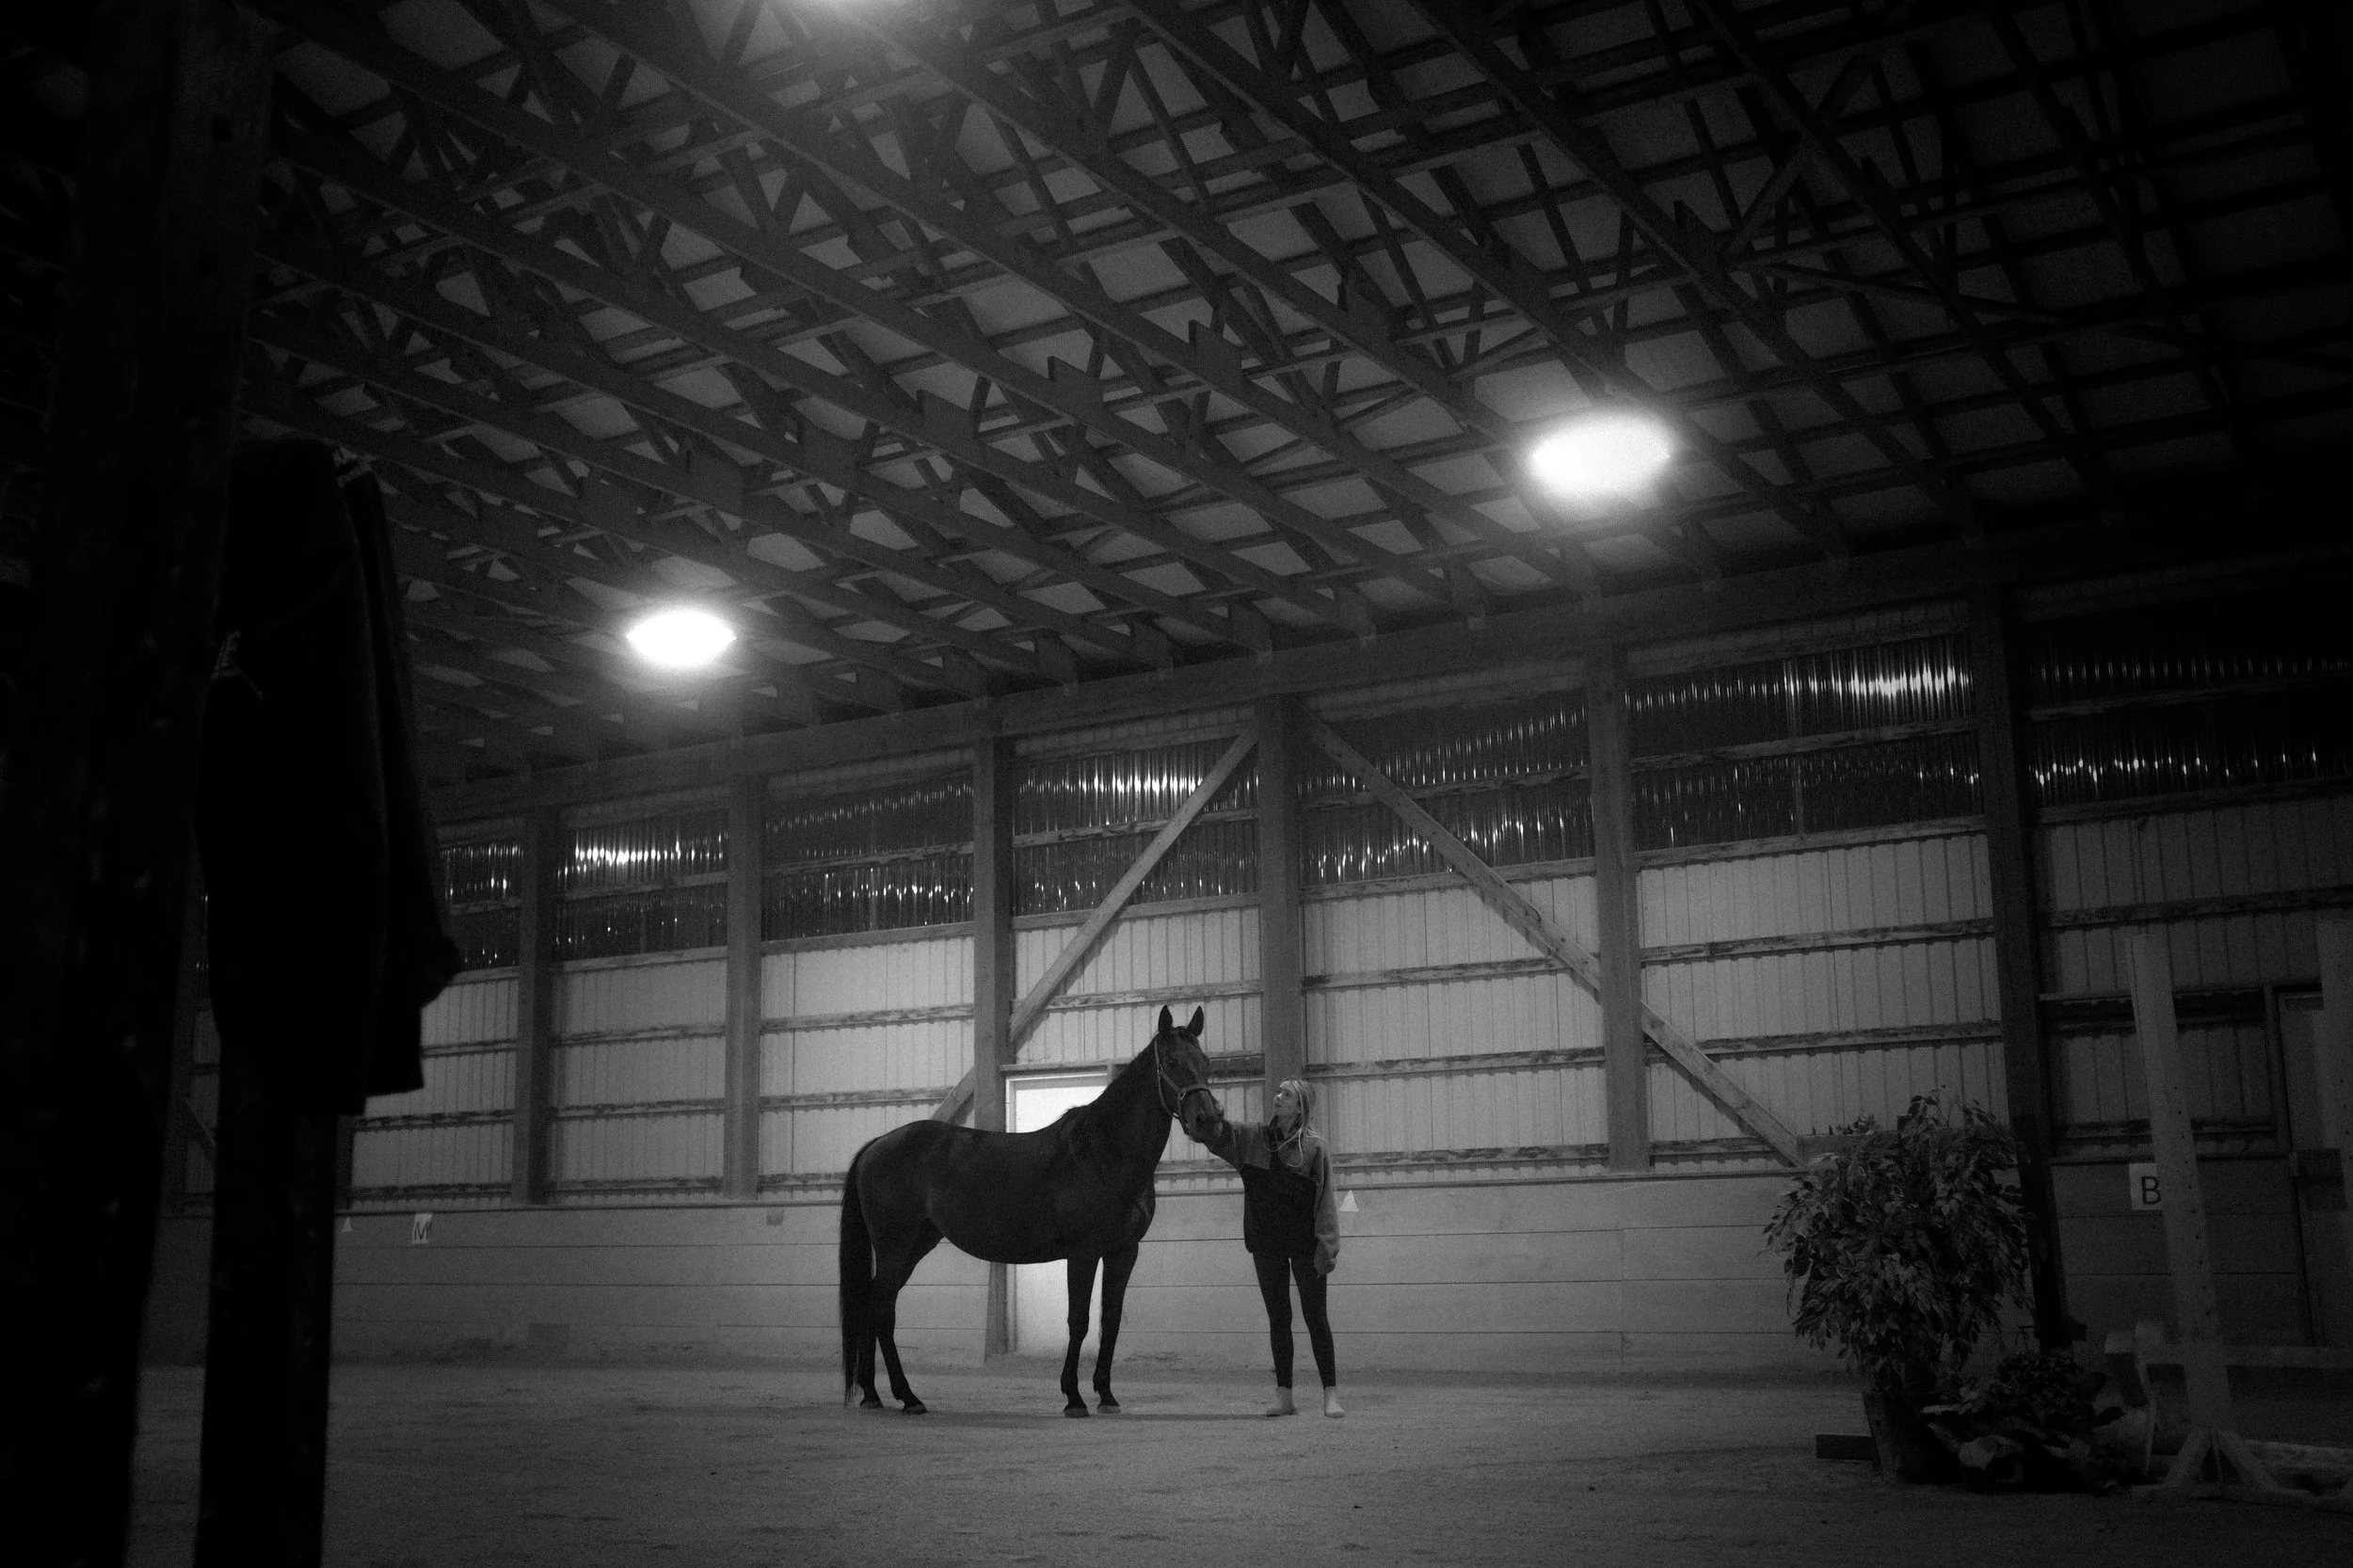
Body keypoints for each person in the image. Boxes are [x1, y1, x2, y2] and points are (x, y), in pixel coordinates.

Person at [1188, 1078, 1344, 1417]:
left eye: (1285, 1095)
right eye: (1277, 1092)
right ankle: (1284, 1396)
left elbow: (1326, 1201)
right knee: (1279, 1318)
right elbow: (1219, 1136)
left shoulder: (1315, 1148)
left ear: (1300, 1106)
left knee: (1316, 1318)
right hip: (1266, 1243)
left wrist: (1327, 1247)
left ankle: (1330, 1394)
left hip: (1305, 1244)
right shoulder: (1254, 1138)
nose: (1277, 1098)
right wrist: (1204, 1117)